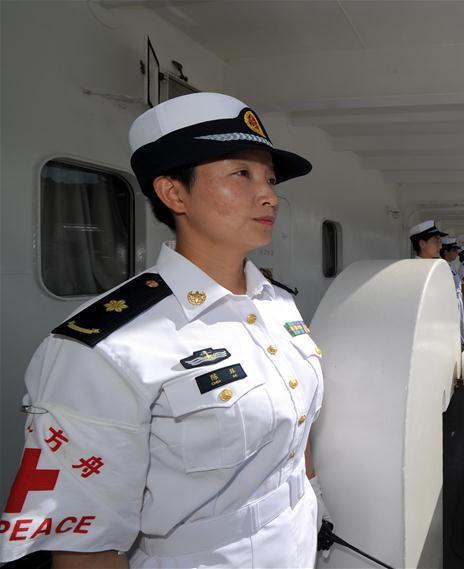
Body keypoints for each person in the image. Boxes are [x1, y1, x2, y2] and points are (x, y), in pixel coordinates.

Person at [0, 94, 331, 568]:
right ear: (174, 194)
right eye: (242, 174)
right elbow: (85, 550)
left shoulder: (279, 306)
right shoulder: (109, 345)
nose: (269, 196)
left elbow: (297, 440)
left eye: (271, 179)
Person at [440, 237, 464, 345]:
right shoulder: (442, 266)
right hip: (451, 303)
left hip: (457, 300)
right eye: (454, 250)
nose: (457, 253)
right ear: (446, 251)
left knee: (459, 327)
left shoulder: (451, 266)